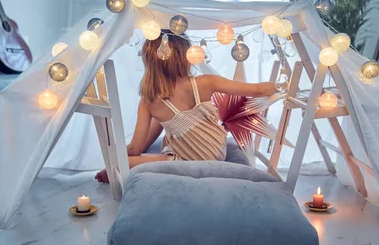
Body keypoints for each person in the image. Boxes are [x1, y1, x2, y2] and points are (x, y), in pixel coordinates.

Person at [95, 29, 279, 183]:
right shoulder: (207, 82)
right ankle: (137, 157)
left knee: (127, 156)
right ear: (186, 57)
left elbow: (135, 149)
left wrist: (125, 156)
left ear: (149, 62)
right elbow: (257, 90)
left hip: (185, 160)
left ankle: (114, 167)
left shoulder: (148, 101)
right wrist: (278, 87)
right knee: (170, 120)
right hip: (217, 152)